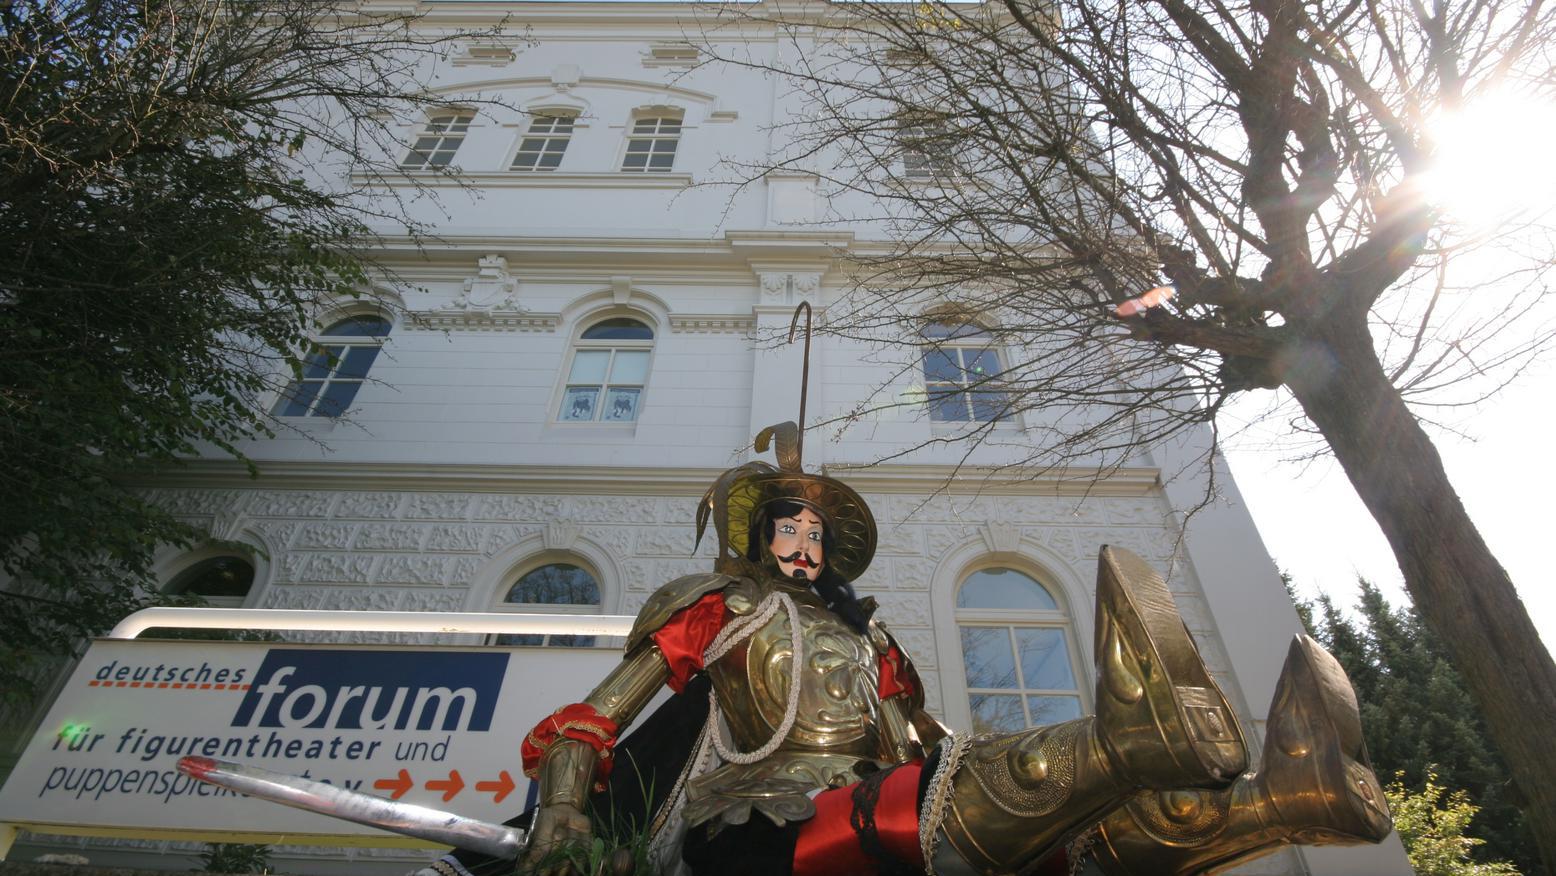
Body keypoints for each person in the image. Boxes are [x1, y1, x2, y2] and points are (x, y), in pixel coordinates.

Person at [498, 422, 1393, 876]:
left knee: (1057, 840)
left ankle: (1282, 798)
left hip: (875, 798)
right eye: (790, 527)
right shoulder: (717, 606)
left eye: (815, 531)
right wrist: (563, 814)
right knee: (930, 806)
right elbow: (589, 720)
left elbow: (920, 744)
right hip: (760, 825)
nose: (804, 544)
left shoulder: (866, 632)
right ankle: (1127, 739)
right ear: (758, 536)